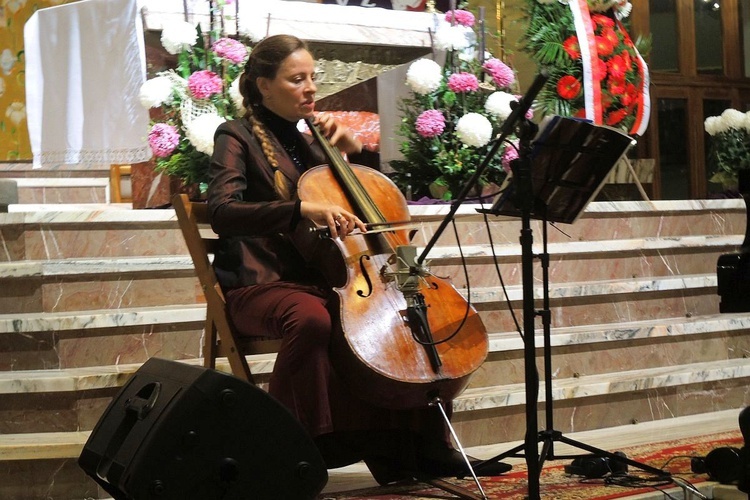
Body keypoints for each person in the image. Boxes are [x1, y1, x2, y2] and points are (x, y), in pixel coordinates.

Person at [207, 33, 510, 483]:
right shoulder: (235, 135)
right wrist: (299, 208)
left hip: (324, 281)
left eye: (313, 77)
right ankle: (289, 448)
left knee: (405, 318)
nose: (310, 88)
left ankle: (418, 447)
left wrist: (353, 153)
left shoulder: (314, 141)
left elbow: (374, 202)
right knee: (313, 320)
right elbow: (222, 211)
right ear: (263, 84)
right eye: (296, 79)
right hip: (259, 284)